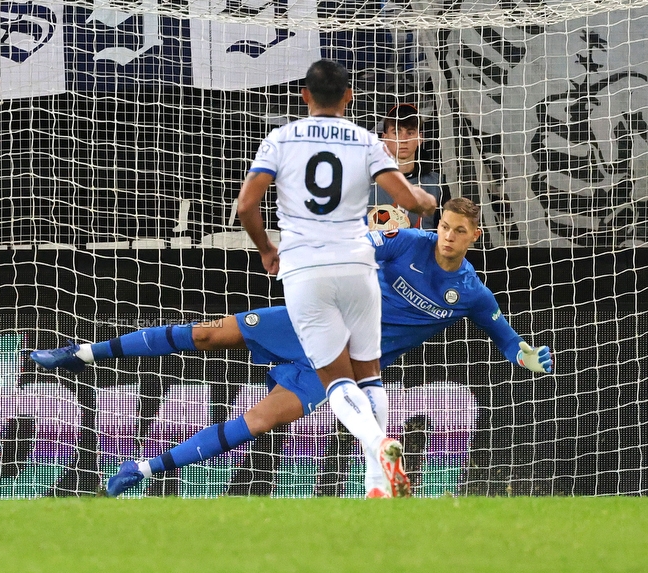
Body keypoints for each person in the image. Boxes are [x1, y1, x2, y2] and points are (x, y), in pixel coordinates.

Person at [32, 199, 553, 498]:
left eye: (458, 232)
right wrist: (370, 227)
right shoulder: (408, 243)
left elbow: (507, 341)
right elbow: (359, 244)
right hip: (311, 324)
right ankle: (80, 354)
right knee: (209, 333)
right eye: (444, 226)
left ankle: (141, 471)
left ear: (474, 237)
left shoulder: (474, 294)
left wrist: (527, 356)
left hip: (340, 367)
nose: (446, 236)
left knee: (256, 423)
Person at [236, 59, 436, 497]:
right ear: (349, 97)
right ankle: (377, 483)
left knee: (336, 380)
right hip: (357, 266)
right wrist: (426, 199)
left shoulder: (281, 138)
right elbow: (408, 199)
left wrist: (267, 249)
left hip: (306, 268)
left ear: (305, 96)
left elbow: (245, 206)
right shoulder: (366, 141)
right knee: (370, 375)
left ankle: (379, 443)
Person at [369, 104, 450, 229]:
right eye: (396, 132)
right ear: (384, 138)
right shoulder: (366, 183)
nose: (403, 140)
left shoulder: (437, 184)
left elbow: (443, 232)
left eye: (410, 132)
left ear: (420, 138)